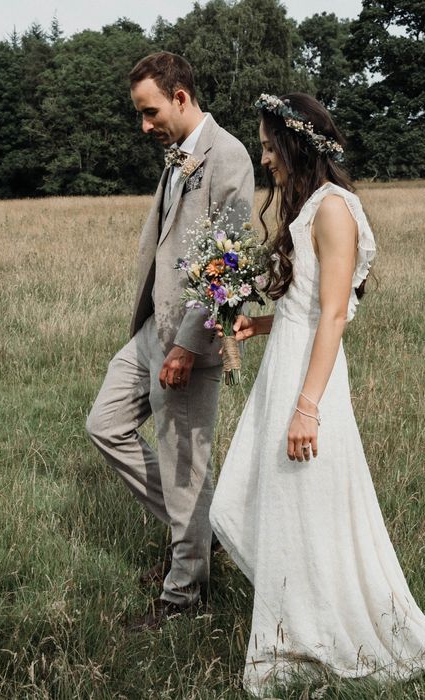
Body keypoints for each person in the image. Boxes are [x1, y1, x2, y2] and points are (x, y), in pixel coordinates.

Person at [209, 93, 425, 695]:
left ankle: (310, 633)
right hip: (288, 365)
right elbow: (305, 308)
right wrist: (260, 323)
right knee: (259, 503)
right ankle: (300, 616)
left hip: (310, 381)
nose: (264, 155)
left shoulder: (333, 210)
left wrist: (308, 408)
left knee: (306, 505)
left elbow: (333, 316)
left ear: (295, 143)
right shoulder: (309, 208)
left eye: (269, 143)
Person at [85, 51, 254, 629]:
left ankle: (184, 599)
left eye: (150, 111)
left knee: (186, 473)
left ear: (180, 97)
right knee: (104, 424)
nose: (145, 125)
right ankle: (200, 535)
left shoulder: (228, 155)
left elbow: (228, 262)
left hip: (189, 339)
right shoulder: (175, 155)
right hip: (148, 330)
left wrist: (186, 345)